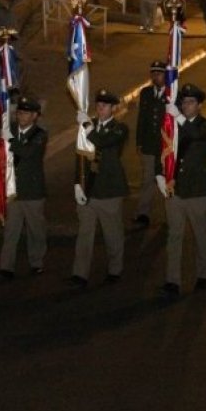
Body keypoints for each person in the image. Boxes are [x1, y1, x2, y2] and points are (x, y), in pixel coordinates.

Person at [160, 83, 206, 297]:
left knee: (201, 234)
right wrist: (161, 175)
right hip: (176, 188)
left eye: (191, 102)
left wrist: (178, 118)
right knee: (174, 235)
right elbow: (165, 150)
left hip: (198, 190)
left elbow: (195, 135)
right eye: (183, 102)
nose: (186, 105)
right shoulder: (173, 126)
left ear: (200, 105)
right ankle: (172, 280)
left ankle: (203, 274)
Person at [71, 89, 129, 287]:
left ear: (114, 108)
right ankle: (80, 273)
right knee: (85, 234)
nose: (100, 108)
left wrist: (87, 126)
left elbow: (104, 142)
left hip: (109, 189)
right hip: (89, 188)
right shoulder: (88, 127)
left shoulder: (120, 129)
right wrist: (77, 184)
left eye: (105, 105)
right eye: (99, 105)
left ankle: (115, 269)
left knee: (112, 233)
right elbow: (79, 156)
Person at [0, 96, 47, 279]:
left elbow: (28, 152)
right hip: (13, 189)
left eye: (26, 113)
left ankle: (36, 262)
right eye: (19, 112)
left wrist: (10, 140)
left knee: (36, 230)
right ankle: (6, 266)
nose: (21, 116)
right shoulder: (10, 130)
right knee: (11, 230)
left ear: (35, 116)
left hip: (32, 190)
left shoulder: (39, 134)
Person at [133, 60, 168, 228]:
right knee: (147, 179)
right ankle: (143, 213)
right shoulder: (146, 93)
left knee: (166, 180)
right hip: (148, 144)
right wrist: (139, 141)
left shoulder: (173, 94)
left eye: (159, 73)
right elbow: (142, 118)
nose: (156, 76)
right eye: (153, 73)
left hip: (165, 146)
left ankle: (171, 212)